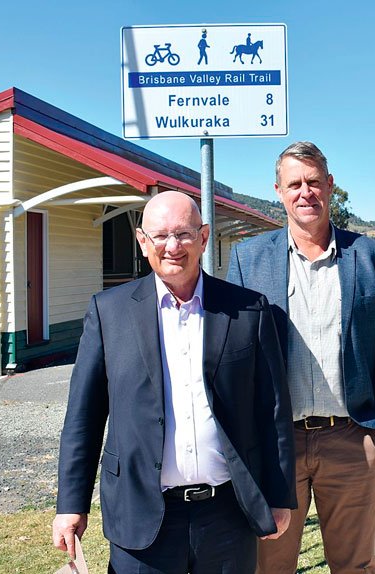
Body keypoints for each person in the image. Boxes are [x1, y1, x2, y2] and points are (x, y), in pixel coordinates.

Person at [52, 191, 295, 573]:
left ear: (203, 237)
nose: (172, 246)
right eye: (160, 235)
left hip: (227, 516)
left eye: (182, 234)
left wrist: (280, 495)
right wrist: (70, 504)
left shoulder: (249, 310)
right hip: (141, 515)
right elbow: (83, 417)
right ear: (141, 241)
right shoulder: (108, 312)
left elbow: (274, 410)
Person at [227, 141, 375, 574]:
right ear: (278, 191)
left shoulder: (369, 256)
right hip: (276, 445)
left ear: (330, 185)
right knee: (270, 566)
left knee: (354, 566)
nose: (305, 192)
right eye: (294, 184)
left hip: (351, 440)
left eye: (313, 182)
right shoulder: (248, 259)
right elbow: (234, 356)